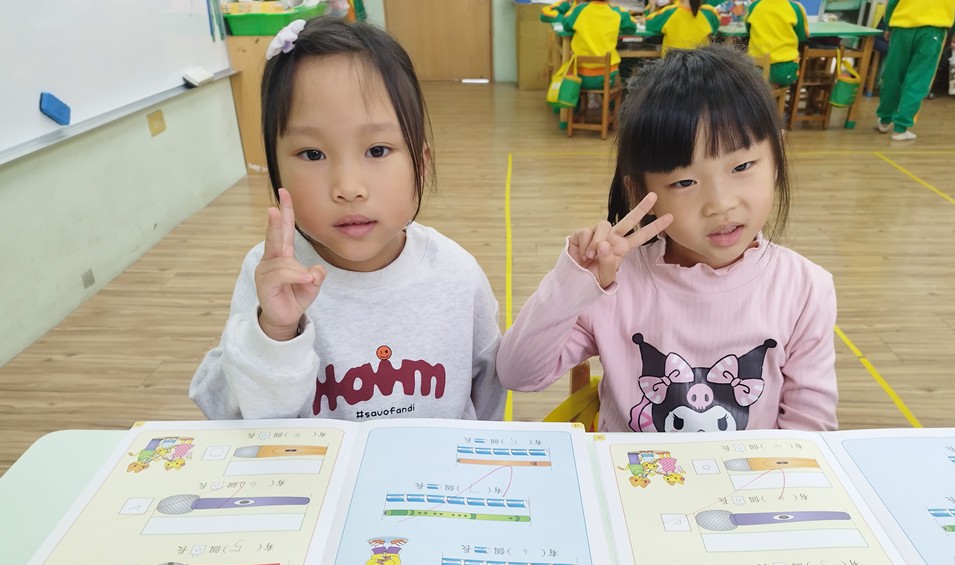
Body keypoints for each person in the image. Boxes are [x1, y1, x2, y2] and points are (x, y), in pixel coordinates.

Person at [497, 45, 837, 433]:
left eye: (742, 166)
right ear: (641, 194)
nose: (720, 203)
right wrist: (575, 283)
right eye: (684, 182)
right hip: (625, 473)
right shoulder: (612, 284)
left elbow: (810, 435)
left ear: (776, 157)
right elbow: (516, 373)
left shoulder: (805, 290)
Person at [190, 18, 505, 422]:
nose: (348, 188)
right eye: (313, 154)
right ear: (275, 172)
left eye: (377, 150)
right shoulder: (270, 278)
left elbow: (488, 395)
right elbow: (231, 419)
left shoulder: (457, 274)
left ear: (421, 164)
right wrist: (275, 333)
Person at [875, 0, 955, 141]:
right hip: (933, 30)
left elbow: (893, 1)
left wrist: (888, 24)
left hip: (902, 26)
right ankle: (900, 128)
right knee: (918, 79)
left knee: (893, 74)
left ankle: (885, 119)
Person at [562, 0, 637, 91]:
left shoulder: (579, 10)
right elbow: (631, 29)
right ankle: (612, 99)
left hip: (578, 77)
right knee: (621, 79)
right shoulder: (619, 12)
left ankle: (583, 98)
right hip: (607, 77)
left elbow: (566, 25)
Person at [745, 0, 810, 87]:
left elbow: (748, 31)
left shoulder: (754, 6)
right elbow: (801, 37)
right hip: (784, 72)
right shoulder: (795, 8)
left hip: (755, 69)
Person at [644, 1, 721, 55]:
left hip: (673, 66)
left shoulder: (669, 13)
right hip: (702, 65)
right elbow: (716, 26)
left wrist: (652, 7)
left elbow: (647, 24)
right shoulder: (709, 14)